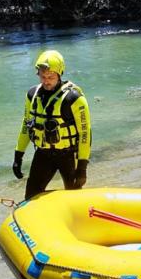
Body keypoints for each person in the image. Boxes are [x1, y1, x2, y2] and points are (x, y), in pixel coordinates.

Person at [13, 50, 92, 200]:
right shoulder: (32, 95)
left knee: (74, 198)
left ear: (59, 74)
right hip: (43, 154)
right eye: (43, 77)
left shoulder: (73, 98)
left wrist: (82, 168)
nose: (46, 81)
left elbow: (85, 134)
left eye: (51, 77)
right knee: (30, 197)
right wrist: (18, 156)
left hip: (69, 155)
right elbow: (26, 125)